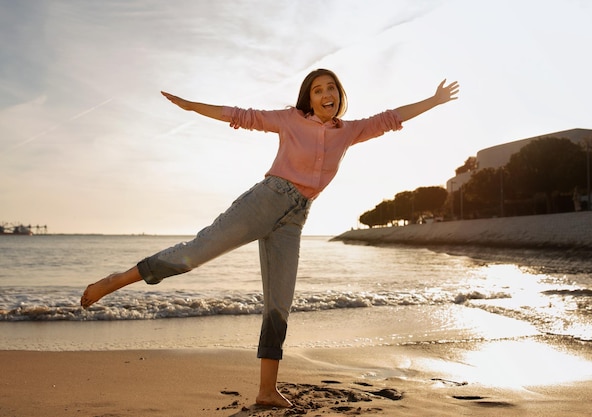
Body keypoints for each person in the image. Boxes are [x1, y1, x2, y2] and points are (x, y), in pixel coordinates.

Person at [81, 68, 459, 408]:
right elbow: (242, 116)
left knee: (279, 304)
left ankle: (266, 390)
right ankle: (114, 281)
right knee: (194, 254)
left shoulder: (351, 131)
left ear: (339, 96)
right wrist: (193, 107)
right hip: (266, 200)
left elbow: (390, 119)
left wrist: (435, 100)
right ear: (307, 99)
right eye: (316, 90)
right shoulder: (291, 120)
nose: (325, 93)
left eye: (331, 88)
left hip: (295, 219)